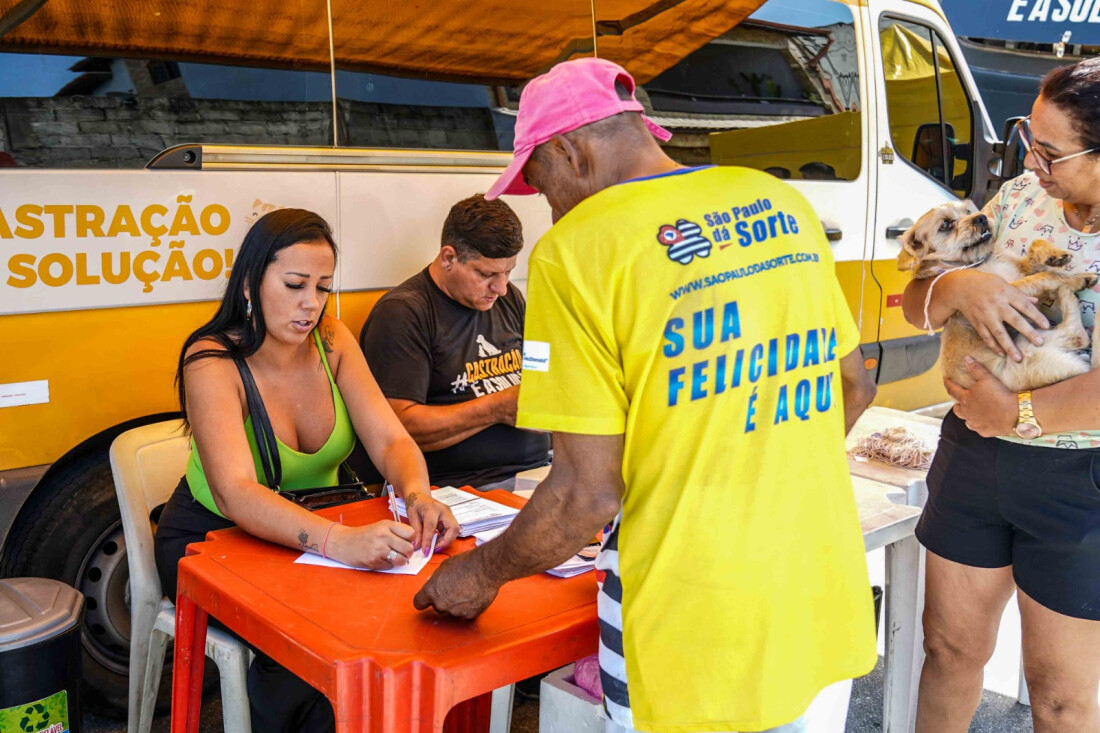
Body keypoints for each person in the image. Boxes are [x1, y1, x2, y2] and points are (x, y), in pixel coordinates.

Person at [413, 57, 879, 733]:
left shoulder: (575, 253)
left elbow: (584, 495)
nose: (551, 207)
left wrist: (481, 574)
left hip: (690, 616)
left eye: (541, 185)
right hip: (816, 582)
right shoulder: (779, 200)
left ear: (569, 151)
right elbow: (853, 385)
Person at [154, 208, 459, 732]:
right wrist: (337, 544)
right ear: (250, 282)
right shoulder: (210, 360)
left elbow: (390, 437)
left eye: (322, 287)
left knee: (410, 620)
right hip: (215, 539)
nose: (311, 304)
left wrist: (417, 495)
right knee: (307, 648)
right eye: (295, 284)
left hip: (316, 533)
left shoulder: (333, 340)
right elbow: (234, 492)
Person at [901, 58, 1100, 733]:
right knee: (949, 651)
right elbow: (917, 300)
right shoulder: (1019, 197)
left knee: (1061, 699)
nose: (1029, 160)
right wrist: (956, 288)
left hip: (1080, 481)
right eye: (1025, 137)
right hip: (973, 458)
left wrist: (1014, 412)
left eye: (1049, 150)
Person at [355, 194, 550, 490]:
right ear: (449, 257)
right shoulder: (404, 313)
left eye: (508, 272)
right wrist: (497, 408)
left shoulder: (509, 299)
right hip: (458, 487)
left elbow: (541, 370)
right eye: (486, 274)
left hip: (538, 472)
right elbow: (397, 430)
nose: (500, 287)